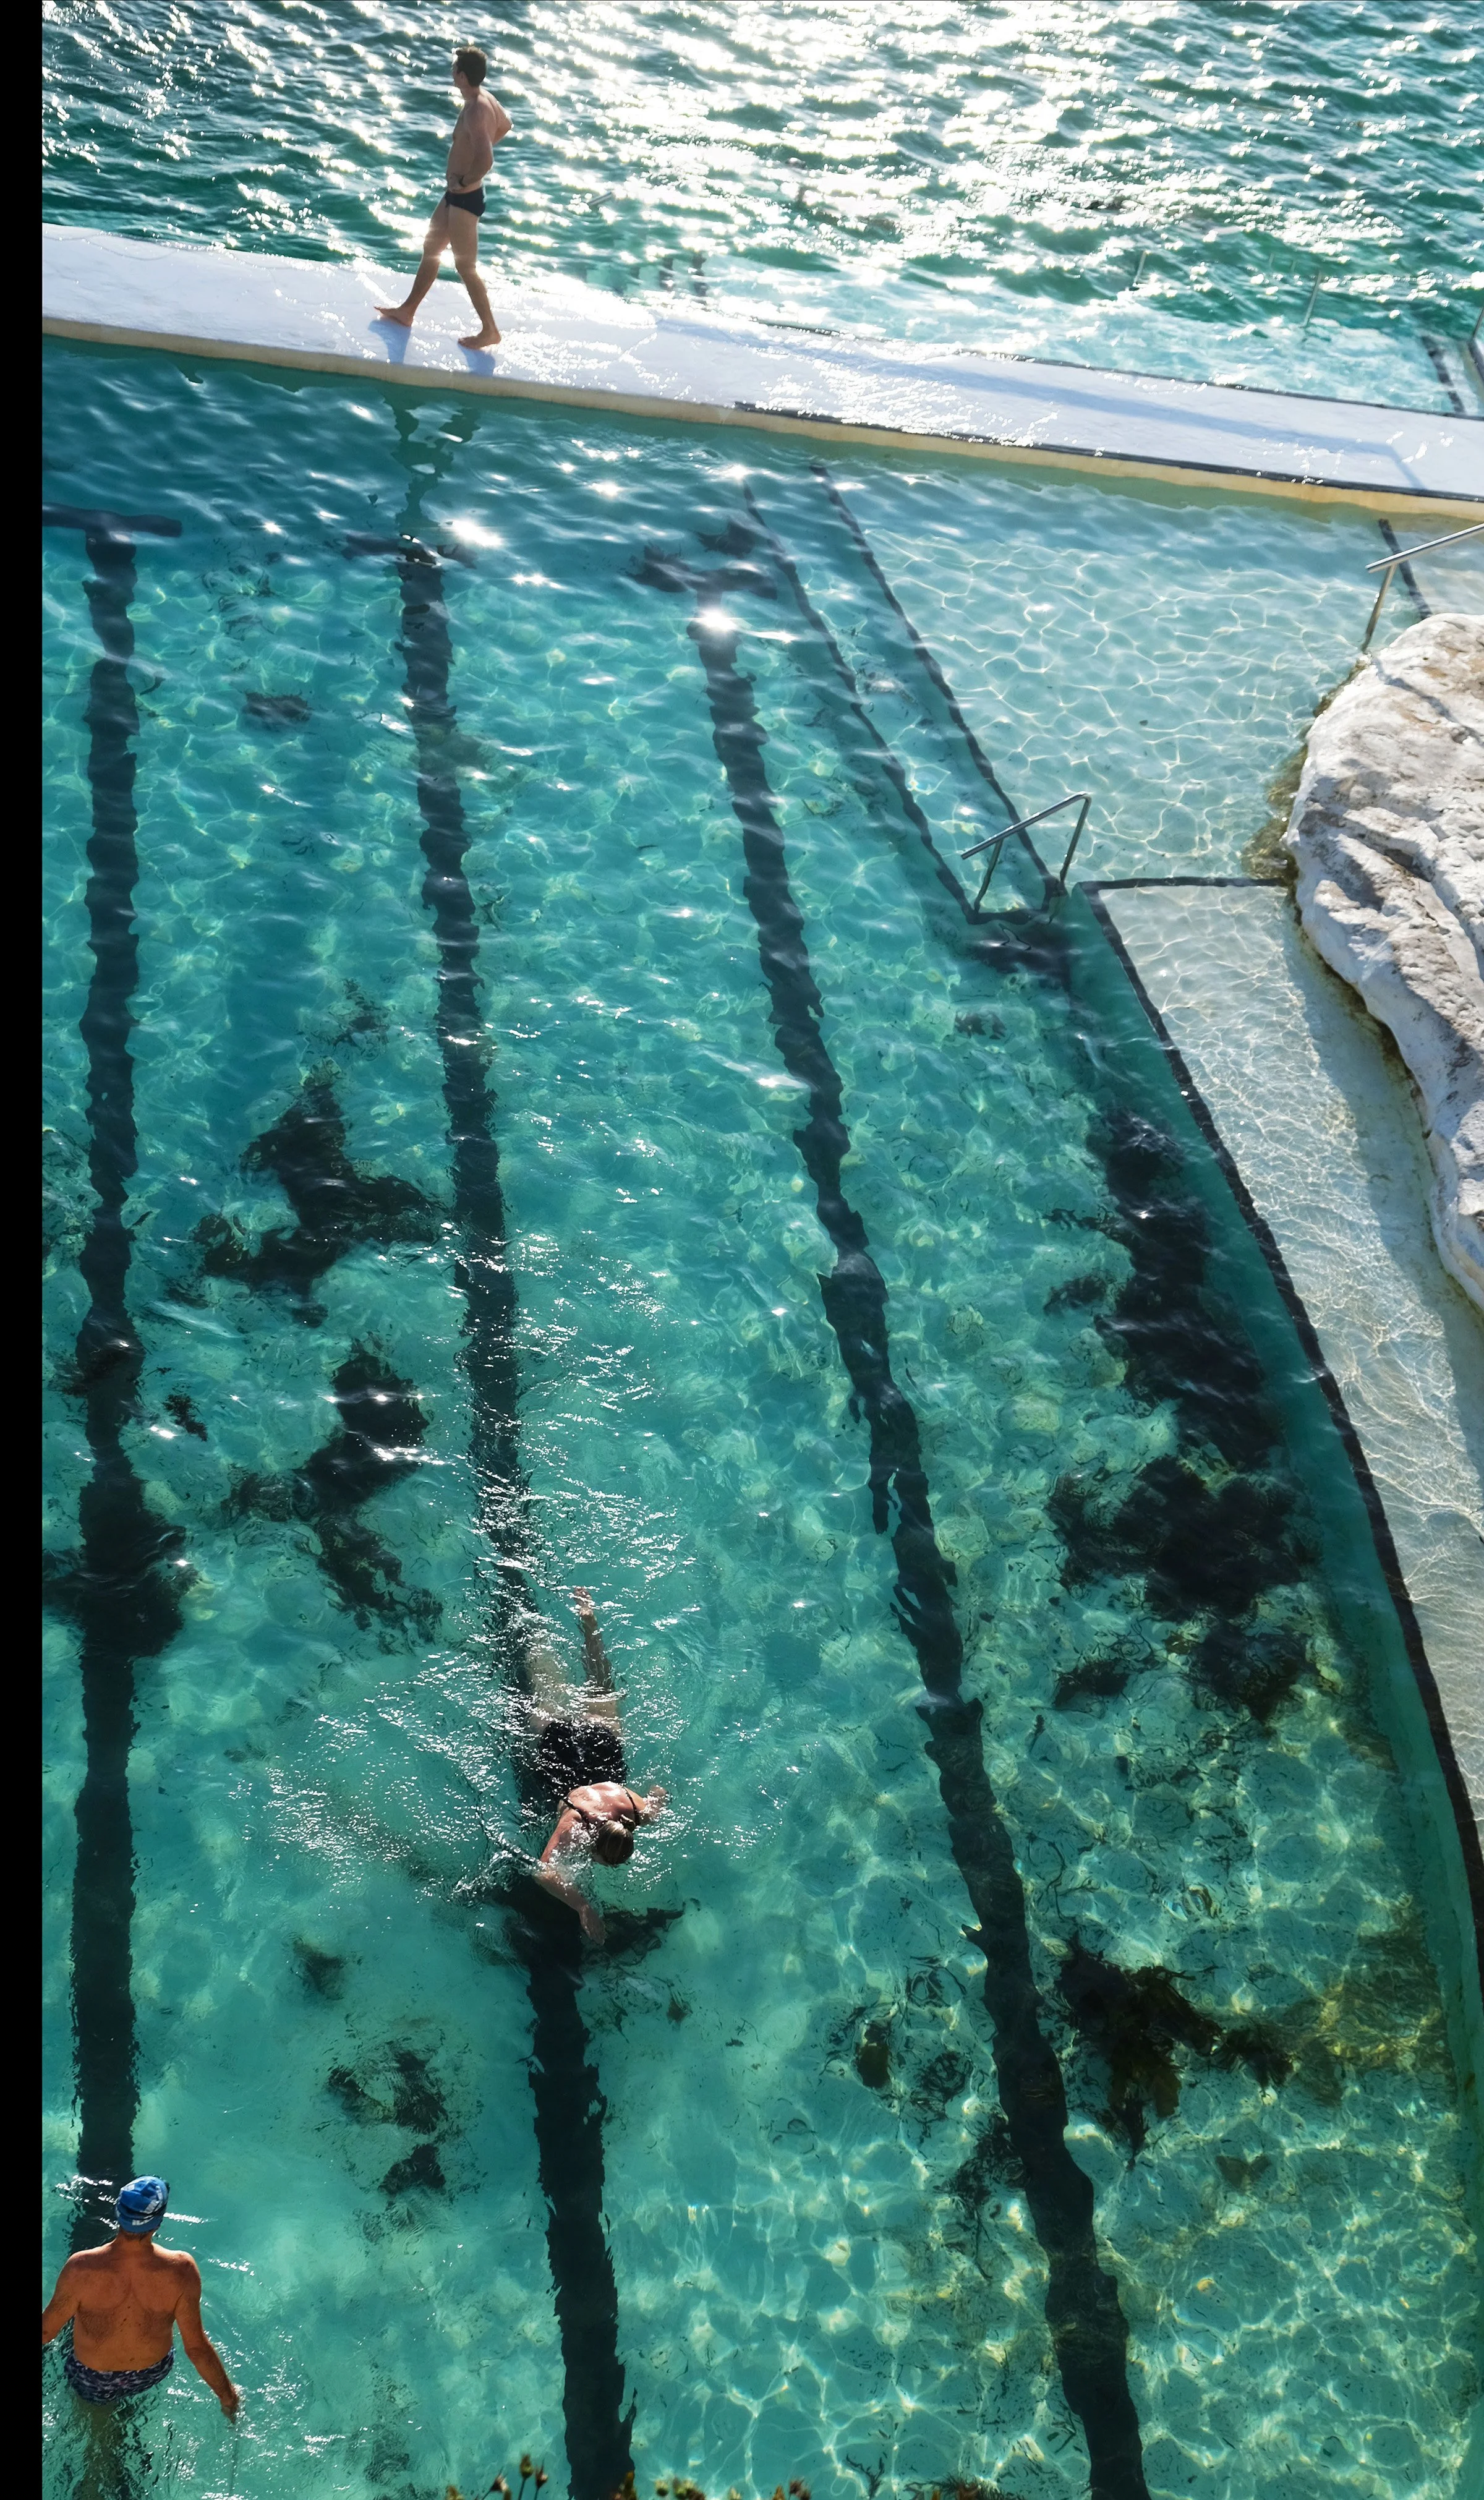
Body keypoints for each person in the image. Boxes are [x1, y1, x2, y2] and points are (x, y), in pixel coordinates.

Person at [528, 1589, 666, 1945]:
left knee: (601, 1686)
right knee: (543, 1677)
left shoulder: (633, 1809)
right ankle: (533, 1627)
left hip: (605, 1752)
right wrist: (583, 1907)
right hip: (562, 1759)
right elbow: (543, 1872)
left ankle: (590, 1623)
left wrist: (657, 1802)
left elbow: (657, 1797)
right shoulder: (575, 1826)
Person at [41, 2177, 240, 2417]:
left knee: (99, 2422)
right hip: (151, 2372)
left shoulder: (81, 2268)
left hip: (94, 2378)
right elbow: (197, 2348)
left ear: (118, 2212)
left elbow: (46, 2332)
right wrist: (228, 2397)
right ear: (158, 2222)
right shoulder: (182, 2269)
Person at [377, 46, 512, 349]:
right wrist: (466, 167)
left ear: (462, 76)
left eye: (454, 69)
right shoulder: (483, 99)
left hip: (465, 198)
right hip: (455, 196)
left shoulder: (477, 109)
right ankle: (407, 311)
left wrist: (464, 179)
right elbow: (505, 125)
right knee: (432, 247)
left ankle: (490, 330)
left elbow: (487, 159)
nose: (451, 72)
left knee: (466, 267)